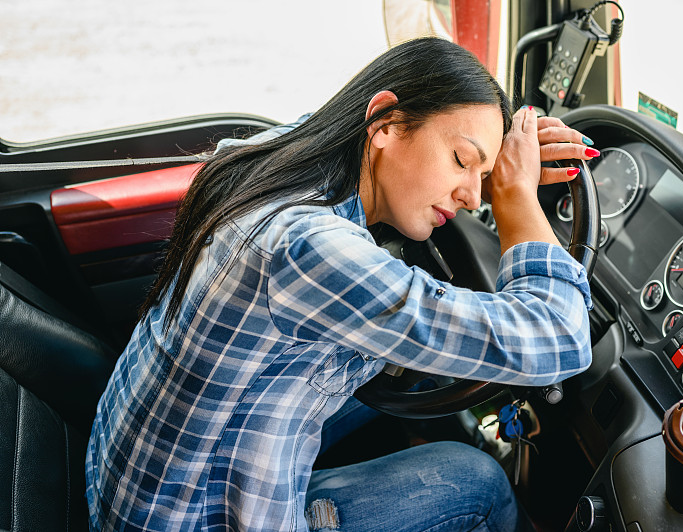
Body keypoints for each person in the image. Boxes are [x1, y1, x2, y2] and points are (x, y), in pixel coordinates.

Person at [85, 37, 596, 531]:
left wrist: (490, 160)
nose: (471, 197)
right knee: (481, 484)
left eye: (485, 178)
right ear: (385, 124)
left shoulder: (278, 159)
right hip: (186, 519)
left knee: (414, 374)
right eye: (462, 161)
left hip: (126, 483)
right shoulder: (308, 247)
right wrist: (515, 199)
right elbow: (560, 337)